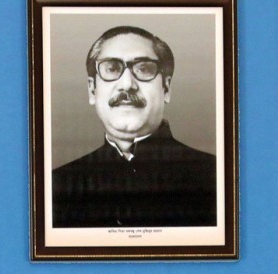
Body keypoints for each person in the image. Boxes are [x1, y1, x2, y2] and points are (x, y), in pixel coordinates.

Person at [52, 26, 217, 228]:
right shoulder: (56, 186)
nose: (127, 84)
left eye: (144, 69)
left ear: (166, 88)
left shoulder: (216, 177)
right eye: (112, 69)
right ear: (92, 90)